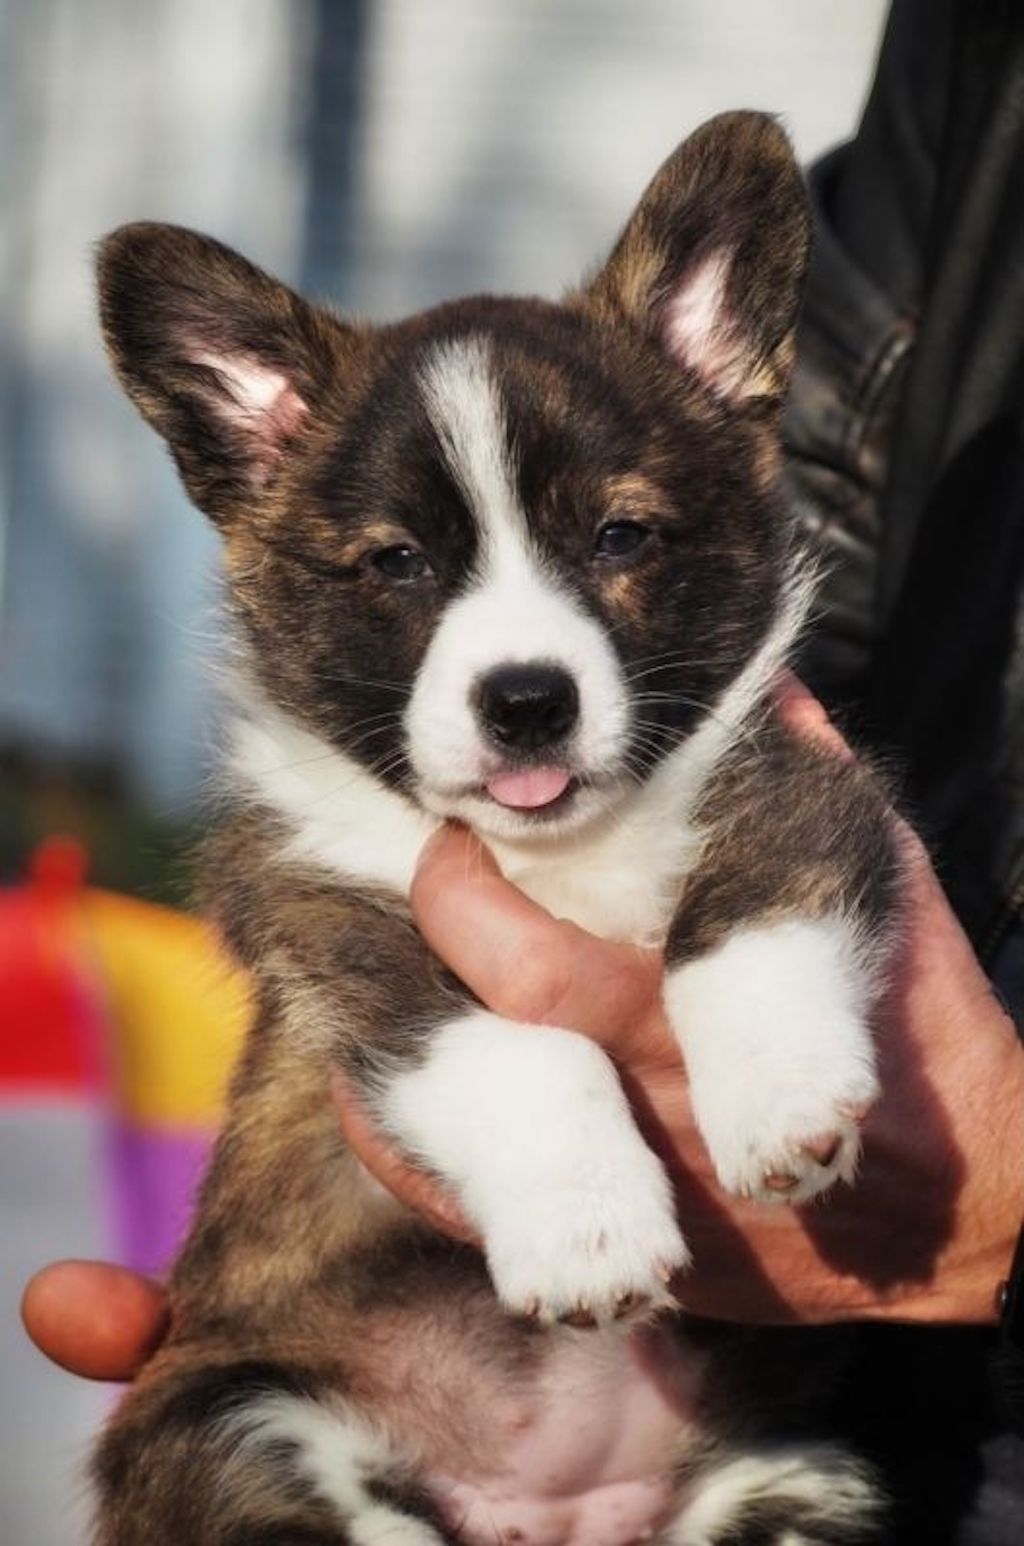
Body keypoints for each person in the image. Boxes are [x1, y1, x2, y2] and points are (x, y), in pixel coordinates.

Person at [22, 0, 1024, 1538]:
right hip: (360, 1396)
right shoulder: (321, 834)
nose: (521, 652)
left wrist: (914, 1140)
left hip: (741, 1440)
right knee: (208, 1444)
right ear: (247, 450)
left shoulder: (748, 766)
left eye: (615, 535)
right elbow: (395, 1015)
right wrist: (546, 1124)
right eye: (400, 562)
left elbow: (814, 849)